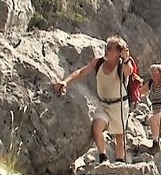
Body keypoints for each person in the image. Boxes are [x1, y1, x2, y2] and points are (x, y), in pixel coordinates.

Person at [54, 35, 133, 163]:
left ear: (118, 52)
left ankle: (120, 162)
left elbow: (128, 71)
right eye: (106, 47)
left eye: (110, 48)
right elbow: (81, 72)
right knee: (97, 126)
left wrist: (126, 58)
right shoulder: (98, 62)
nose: (106, 50)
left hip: (119, 105)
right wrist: (65, 82)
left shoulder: (122, 65)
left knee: (119, 137)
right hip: (103, 104)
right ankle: (103, 158)